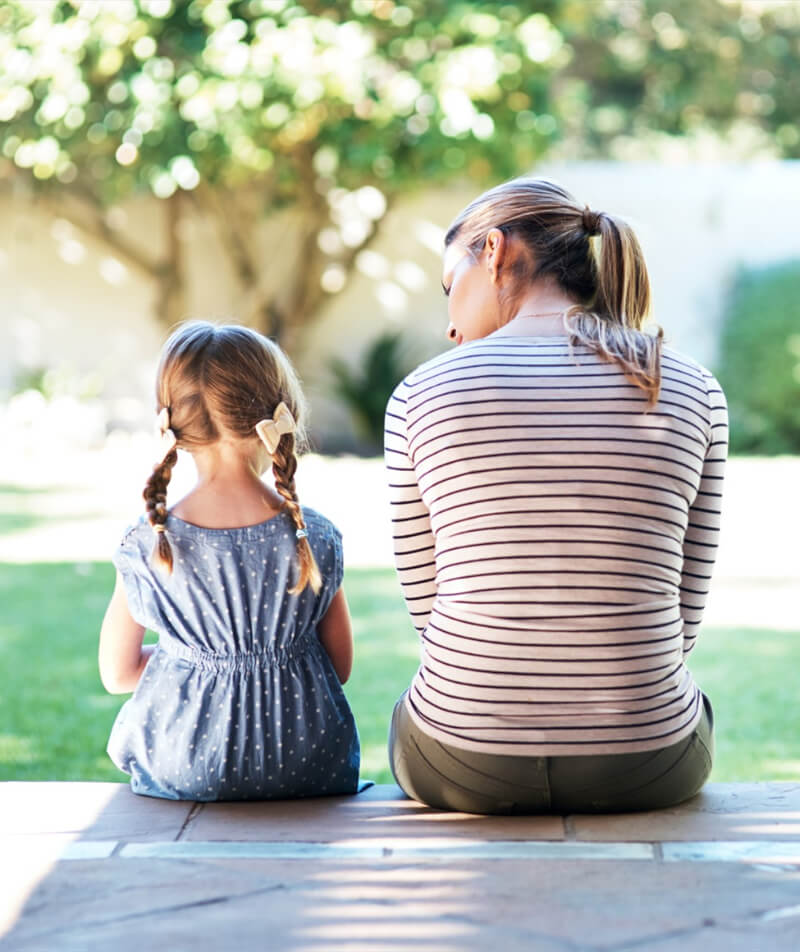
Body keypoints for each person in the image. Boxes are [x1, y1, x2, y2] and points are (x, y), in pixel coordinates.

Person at [385, 178, 727, 815]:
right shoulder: (690, 386)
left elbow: (429, 612)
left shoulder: (420, 394)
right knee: (692, 705)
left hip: (463, 761)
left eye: (447, 286)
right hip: (646, 761)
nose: (449, 323)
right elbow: (684, 614)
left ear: (492, 250)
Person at [99, 321, 361, 801]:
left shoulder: (148, 542)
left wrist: (194, 657)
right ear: (279, 415)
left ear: (171, 424)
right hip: (307, 764)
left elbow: (117, 674)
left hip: (185, 765)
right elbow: (339, 665)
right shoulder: (315, 535)